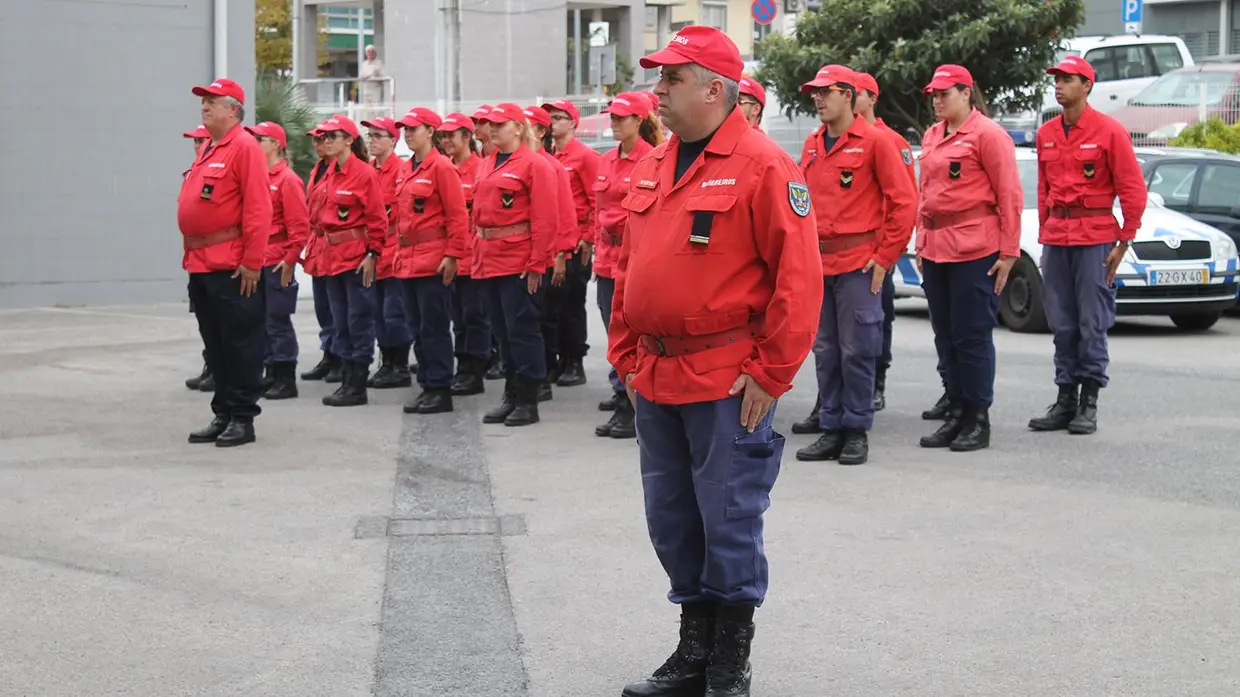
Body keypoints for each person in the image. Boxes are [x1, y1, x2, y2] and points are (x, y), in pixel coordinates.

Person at [610, 26, 822, 697]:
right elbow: (630, 268)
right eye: (659, 78)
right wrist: (624, 356)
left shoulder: (763, 166)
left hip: (725, 376)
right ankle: (693, 649)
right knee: (671, 515)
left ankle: (730, 658)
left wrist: (770, 373)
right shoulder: (654, 162)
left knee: (727, 516)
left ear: (713, 88)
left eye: (671, 79)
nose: (658, 91)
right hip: (658, 373)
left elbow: (799, 279)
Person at [792, 65, 917, 466]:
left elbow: (903, 203)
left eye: (826, 92)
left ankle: (856, 429)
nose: (818, 99)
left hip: (859, 263)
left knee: (858, 349)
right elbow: (801, 203)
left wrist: (885, 257)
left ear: (848, 95)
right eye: (815, 92)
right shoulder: (812, 144)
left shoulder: (876, 142)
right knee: (825, 350)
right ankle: (831, 426)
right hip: (819, 262)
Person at [1030, 55, 1146, 435]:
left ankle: (1089, 402)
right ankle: (1065, 399)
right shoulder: (1047, 133)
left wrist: (1124, 240)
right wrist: (1045, 227)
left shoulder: (1110, 131)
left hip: (1095, 238)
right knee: (1061, 323)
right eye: (1057, 79)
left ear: (1087, 86)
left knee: (1091, 322)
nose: (1059, 85)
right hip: (1057, 239)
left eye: (1067, 79)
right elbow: (1044, 185)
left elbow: (1132, 189)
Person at [916, 64, 1023, 451]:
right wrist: (920, 242)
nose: (938, 101)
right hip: (936, 247)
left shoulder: (988, 135)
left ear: (966, 93)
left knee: (971, 335)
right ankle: (957, 409)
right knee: (945, 335)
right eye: (934, 95)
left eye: (945, 93)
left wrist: (1009, 252)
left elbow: (1010, 194)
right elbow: (926, 192)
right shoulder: (932, 135)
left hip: (975, 249)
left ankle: (978, 416)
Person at [178, 77, 272, 448]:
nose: (204, 106)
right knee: (214, 344)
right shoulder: (211, 148)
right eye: (203, 101)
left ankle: (242, 417)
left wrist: (252, 262)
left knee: (241, 343)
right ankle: (223, 412)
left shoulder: (244, 147)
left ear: (233, 110)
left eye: (212, 102)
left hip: (232, 265)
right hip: (201, 263)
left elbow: (259, 209)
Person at [472, 103, 558, 427]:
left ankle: (528, 399)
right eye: (490, 125)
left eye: (499, 124)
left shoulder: (534, 165)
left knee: (523, 331)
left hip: (518, 260)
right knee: (502, 332)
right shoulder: (487, 163)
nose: (492, 130)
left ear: (518, 128)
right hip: (488, 258)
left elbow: (546, 218)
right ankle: (512, 393)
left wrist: (538, 262)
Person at [592, 91, 662, 440]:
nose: (615, 123)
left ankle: (632, 402)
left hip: (634, 258)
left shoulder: (652, 159)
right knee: (612, 331)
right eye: (613, 117)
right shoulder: (605, 161)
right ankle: (622, 392)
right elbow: (598, 210)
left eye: (622, 118)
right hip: (607, 259)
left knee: (635, 334)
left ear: (640, 121)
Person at [391, 107, 471, 414]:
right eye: (406, 130)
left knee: (433, 327)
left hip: (433, 259)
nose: (408, 134)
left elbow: (457, 215)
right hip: (408, 259)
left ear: (430, 132)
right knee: (416, 326)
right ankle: (427, 383)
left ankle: (439, 387)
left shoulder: (441, 167)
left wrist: (453, 254)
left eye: (414, 129)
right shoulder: (406, 168)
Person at [313, 115, 389, 407]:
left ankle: (357, 384)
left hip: (356, 256)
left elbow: (377, 219)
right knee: (339, 319)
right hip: (331, 256)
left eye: (333, 136)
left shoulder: (363, 173)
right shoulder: (329, 171)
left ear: (348, 140)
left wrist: (373, 254)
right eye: (325, 137)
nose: (326, 141)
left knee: (359, 319)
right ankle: (346, 379)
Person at [854, 71, 918, 412]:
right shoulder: (834, 138)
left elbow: (907, 198)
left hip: (879, 249)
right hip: (846, 253)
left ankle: (877, 380)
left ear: (872, 98)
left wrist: (894, 248)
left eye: (858, 93)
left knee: (879, 319)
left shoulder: (891, 142)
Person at [246, 121, 310, 400]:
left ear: (275, 144)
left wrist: (290, 260)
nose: (255, 144)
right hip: (258, 260)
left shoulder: (288, 180)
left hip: (276, 261)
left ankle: (285, 376)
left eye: (259, 139)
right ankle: (270, 371)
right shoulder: (258, 177)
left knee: (278, 320)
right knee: (260, 321)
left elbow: (299, 228)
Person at [541, 98, 602, 387]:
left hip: (576, 241)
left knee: (572, 305)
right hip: (554, 243)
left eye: (558, 117)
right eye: (550, 118)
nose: (552, 123)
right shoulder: (548, 155)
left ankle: (575, 360)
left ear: (573, 123)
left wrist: (588, 238)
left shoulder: (585, 157)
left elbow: (596, 201)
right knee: (552, 304)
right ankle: (558, 358)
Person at [524, 104, 577, 403]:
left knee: (544, 317)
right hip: (524, 255)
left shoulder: (550, 166)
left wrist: (560, 255)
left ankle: (543, 375)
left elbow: (563, 216)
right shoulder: (519, 164)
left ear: (541, 132)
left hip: (547, 256)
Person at [437, 112, 493, 396]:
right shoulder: (442, 169)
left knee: (475, 316)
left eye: (452, 135)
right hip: (450, 257)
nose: (446, 141)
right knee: (456, 317)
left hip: (475, 257)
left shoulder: (481, 169)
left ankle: (475, 369)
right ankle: (463, 365)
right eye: (443, 136)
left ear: (467, 137)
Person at [360, 116, 416, 390]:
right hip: (372, 251)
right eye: (369, 135)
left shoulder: (401, 171)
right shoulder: (368, 171)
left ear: (393, 141)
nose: (372, 140)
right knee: (377, 312)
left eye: (378, 135)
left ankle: (400, 365)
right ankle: (387, 361)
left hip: (394, 250)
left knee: (394, 312)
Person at [300, 131, 344, 384]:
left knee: (339, 307)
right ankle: (329, 353)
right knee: (323, 308)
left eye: (326, 138)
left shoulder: (343, 169)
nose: (320, 144)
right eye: (317, 140)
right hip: (318, 245)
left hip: (335, 246)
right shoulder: (317, 170)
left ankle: (340, 356)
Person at [183, 123, 215, 394]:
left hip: (215, 258)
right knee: (204, 319)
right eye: (194, 141)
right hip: (196, 257)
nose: (197, 145)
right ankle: (211, 366)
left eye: (201, 140)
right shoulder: (195, 171)